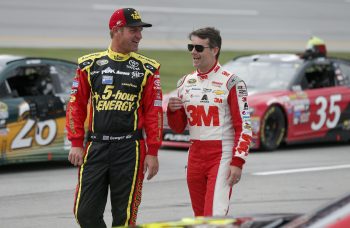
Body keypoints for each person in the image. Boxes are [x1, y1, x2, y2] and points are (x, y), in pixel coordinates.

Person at [65, 8, 163, 228]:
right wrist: (76, 142)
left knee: (125, 217)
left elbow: (155, 113)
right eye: (134, 30)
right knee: (85, 213)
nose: (139, 36)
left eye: (140, 30)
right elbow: (75, 106)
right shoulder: (88, 65)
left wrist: (153, 151)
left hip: (131, 149)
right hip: (95, 146)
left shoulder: (148, 68)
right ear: (116, 30)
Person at [167, 27, 252, 216]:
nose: (193, 52)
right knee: (200, 218)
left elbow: (244, 127)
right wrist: (173, 112)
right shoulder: (184, 82)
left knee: (213, 216)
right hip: (195, 155)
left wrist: (238, 162)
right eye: (191, 46)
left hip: (221, 156)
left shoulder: (232, 83)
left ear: (214, 50)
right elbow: (178, 127)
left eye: (198, 48)